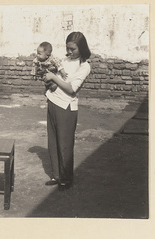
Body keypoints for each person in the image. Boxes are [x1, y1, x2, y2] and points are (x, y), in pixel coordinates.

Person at [43, 32, 91, 191]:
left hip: (67, 108)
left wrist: (54, 77)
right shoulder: (62, 61)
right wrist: (47, 77)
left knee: (65, 145)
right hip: (53, 101)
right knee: (53, 142)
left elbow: (71, 89)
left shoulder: (84, 66)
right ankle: (56, 175)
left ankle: (66, 178)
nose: (69, 52)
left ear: (81, 48)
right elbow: (52, 78)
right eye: (67, 48)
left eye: (73, 49)